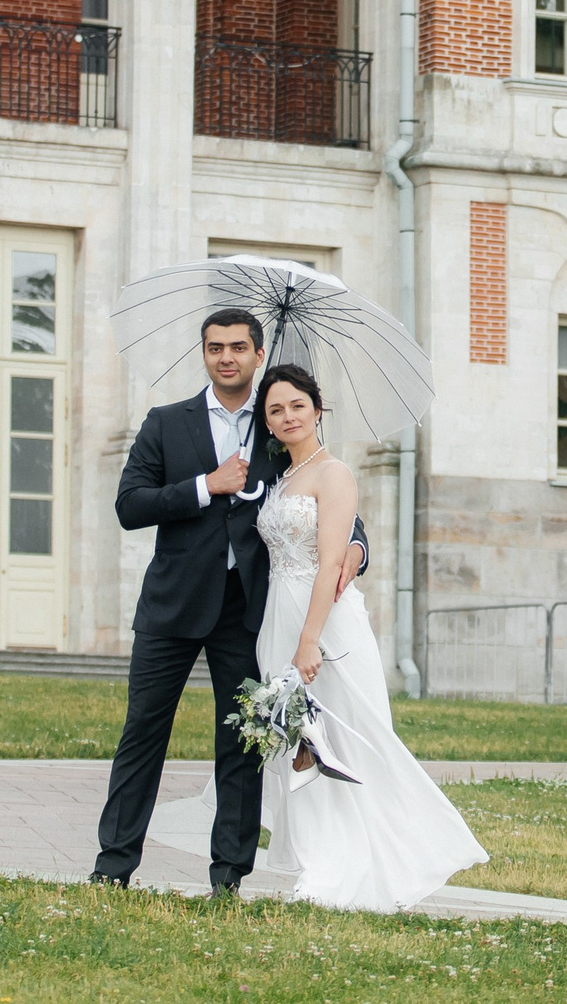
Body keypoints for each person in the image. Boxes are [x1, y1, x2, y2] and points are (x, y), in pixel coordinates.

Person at [91, 309, 368, 893]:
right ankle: (112, 868)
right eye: (216, 347)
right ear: (204, 354)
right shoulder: (167, 423)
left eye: (238, 347)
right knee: (143, 733)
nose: (227, 357)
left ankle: (228, 877)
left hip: (248, 611)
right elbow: (129, 505)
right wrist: (204, 486)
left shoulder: (276, 427)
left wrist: (359, 549)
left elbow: (332, 504)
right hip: (171, 606)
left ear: (257, 355)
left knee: (239, 743)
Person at [252, 362, 486, 912]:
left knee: (348, 738)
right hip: (277, 615)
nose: (287, 416)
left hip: (324, 621)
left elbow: (333, 559)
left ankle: (369, 862)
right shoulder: (279, 477)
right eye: (275, 410)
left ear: (318, 409)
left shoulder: (335, 474)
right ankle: (319, 861)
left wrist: (309, 640)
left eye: (297, 406)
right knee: (299, 742)